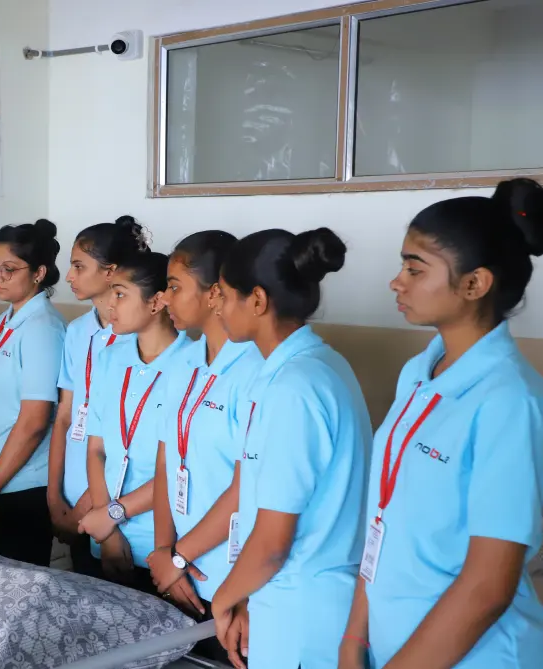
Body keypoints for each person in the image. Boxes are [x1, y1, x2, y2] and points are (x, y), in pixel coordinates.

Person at [341, 179, 543, 669]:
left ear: (474, 284)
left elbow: (487, 587)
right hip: (391, 644)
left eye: (415, 269)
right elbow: (384, 519)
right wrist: (354, 638)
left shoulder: (509, 401)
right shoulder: (419, 374)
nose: (397, 282)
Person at [209, 227, 372, 669]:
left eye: (225, 295)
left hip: (302, 618)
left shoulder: (295, 388)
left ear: (257, 301)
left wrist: (223, 599)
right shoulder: (313, 365)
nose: (217, 306)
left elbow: (273, 542)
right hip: (287, 601)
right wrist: (246, 596)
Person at [144, 231, 264, 664]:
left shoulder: (255, 368)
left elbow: (247, 486)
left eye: (175, 287)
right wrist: (164, 551)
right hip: (180, 572)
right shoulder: (183, 361)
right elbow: (166, 458)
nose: (165, 298)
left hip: (235, 581)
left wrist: (179, 556)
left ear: (215, 293)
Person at [77, 249, 189, 590]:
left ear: (156, 303)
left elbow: (177, 468)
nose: (110, 303)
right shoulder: (110, 357)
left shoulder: (192, 364)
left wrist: (114, 514)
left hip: (162, 549)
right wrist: (107, 530)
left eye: (121, 294)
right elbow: (96, 449)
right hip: (104, 535)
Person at [48, 215, 144, 576]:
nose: (69, 277)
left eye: (78, 266)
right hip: (71, 501)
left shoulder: (136, 336)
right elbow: (65, 415)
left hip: (110, 505)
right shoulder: (77, 331)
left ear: (110, 272)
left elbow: (125, 439)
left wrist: (86, 506)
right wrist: (54, 498)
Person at [0, 219, 66, 566]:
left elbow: (34, 422)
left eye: (9, 269)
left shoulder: (42, 328)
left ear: (39, 273)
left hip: (22, 485)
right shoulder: (5, 320)